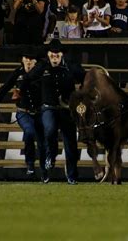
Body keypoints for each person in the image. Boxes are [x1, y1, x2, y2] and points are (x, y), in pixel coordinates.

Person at [28, 39, 86, 185]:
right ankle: (50, 160)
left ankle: (72, 176)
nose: (54, 56)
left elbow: (84, 77)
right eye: (52, 53)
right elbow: (29, 78)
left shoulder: (70, 66)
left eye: (57, 53)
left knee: (71, 144)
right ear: (48, 54)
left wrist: (80, 95)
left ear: (61, 54)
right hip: (49, 107)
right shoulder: (42, 66)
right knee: (49, 130)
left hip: (67, 109)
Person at [0, 46, 44, 179]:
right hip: (23, 111)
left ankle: (44, 165)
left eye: (31, 59)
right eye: (26, 58)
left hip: (40, 112)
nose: (28, 61)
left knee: (44, 139)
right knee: (29, 132)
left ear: (36, 62)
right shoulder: (18, 73)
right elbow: (6, 86)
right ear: (22, 60)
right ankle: (30, 164)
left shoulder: (42, 73)